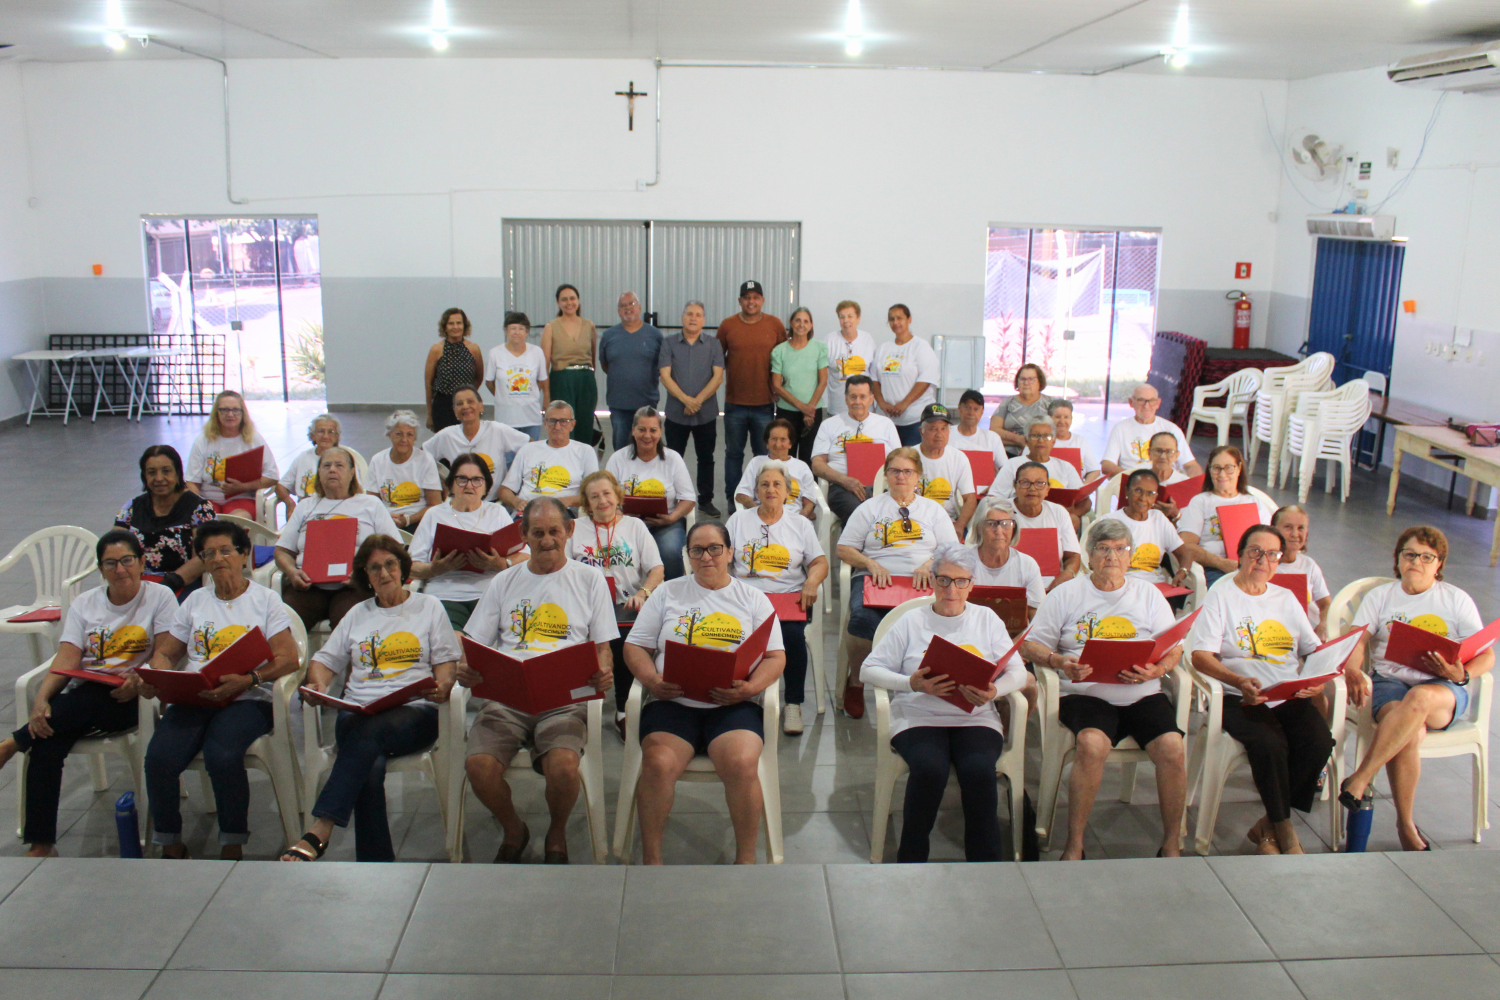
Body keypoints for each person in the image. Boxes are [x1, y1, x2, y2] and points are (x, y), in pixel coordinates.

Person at [283, 535, 459, 863]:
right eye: (374, 567)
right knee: (369, 762)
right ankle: (377, 863)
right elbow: (324, 661)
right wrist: (318, 683)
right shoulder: (357, 613)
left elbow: (446, 663)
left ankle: (321, 828)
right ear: (366, 576)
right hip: (358, 712)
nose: (384, 573)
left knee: (366, 738)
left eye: (390, 564)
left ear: (403, 567)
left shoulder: (428, 607)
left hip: (413, 712)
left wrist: (444, 684)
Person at [458, 498, 616, 864]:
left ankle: (556, 831)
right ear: (523, 534)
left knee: (563, 765)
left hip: (565, 697)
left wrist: (603, 671)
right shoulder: (504, 581)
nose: (547, 541)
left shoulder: (589, 579)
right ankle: (514, 828)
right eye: (538, 533)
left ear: (569, 531)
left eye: (554, 531)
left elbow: (603, 648)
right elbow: (474, 644)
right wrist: (468, 667)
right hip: (507, 697)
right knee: (478, 767)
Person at [0, 531, 177, 856]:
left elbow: (165, 653)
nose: (120, 569)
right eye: (110, 563)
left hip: (135, 697)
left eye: (127, 561)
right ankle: (41, 843)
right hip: (85, 696)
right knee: (47, 741)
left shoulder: (160, 597)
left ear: (141, 563)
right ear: (101, 569)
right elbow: (66, 659)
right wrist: (41, 699)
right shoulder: (85, 603)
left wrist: (138, 678)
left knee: (78, 705)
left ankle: (14, 742)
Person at [1021, 518, 1188, 859]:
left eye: (1120, 549)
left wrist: (1158, 669)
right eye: (1103, 549)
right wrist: (1059, 661)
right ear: (1089, 555)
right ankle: (1075, 843)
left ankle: (1172, 843)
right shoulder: (1067, 594)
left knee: (1173, 747)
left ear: (1131, 556)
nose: (1112, 556)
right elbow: (1030, 644)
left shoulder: (1148, 594)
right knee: (1091, 743)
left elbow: (1174, 646)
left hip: (1142, 692)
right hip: (1085, 693)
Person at [623, 521, 787, 864]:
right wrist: (652, 680)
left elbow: (775, 657)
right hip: (673, 701)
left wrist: (751, 688)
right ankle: (652, 860)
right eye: (696, 550)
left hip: (732, 704)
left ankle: (745, 859)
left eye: (714, 548)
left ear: (729, 553)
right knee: (658, 763)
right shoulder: (668, 593)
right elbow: (635, 646)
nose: (706, 557)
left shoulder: (753, 599)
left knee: (742, 762)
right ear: (687, 555)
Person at [141, 519, 302, 859]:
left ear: (244, 555)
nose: (217, 559)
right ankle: (170, 841)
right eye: (208, 554)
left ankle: (232, 842)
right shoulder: (195, 602)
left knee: (222, 755)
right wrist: (159, 674)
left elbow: (289, 658)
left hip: (248, 697)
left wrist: (251, 679)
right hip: (198, 695)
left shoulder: (266, 601)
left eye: (226, 551)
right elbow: (167, 652)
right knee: (159, 758)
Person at [861, 542, 1027, 862]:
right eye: (944, 580)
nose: (952, 590)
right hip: (919, 716)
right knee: (929, 768)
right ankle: (912, 857)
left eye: (961, 581)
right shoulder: (911, 621)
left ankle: (986, 860)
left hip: (975, 717)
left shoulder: (986, 619)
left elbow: (1018, 672)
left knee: (979, 769)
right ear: (932, 580)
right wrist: (910, 683)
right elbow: (869, 669)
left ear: (971, 584)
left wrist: (995, 691)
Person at [1338, 526, 1494, 853]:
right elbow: (1357, 641)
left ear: (1439, 564)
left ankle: (1360, 777)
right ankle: (1405, 826)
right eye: (1409, 554)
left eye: (1427, 557)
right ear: (1398, 559)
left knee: (1420, 697)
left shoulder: (1455, 599)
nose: (1416, 562)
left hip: (1441, 688)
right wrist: (1352, 669)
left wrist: (1462, 673)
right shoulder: (1381, 597)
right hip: (1390, 683)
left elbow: (1487, 655)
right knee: (1409, 732)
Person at [1188, 524, 1333, 855]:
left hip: (1286, 694)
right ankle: (1285, 831)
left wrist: (1318, 679)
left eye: (1272, 554)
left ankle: (1266, 827)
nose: (1263, 560)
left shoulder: (1285, 598)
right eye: (1255, 552)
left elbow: (1314, 650)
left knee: (1318, 741)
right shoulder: (1222, 594)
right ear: (1240, 555)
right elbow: (1200, 656)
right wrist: (1238, 681)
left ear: (1279, 560)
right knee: (1269, 744)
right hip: (1240, 697)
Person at [836, 448, 959, 719]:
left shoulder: (933, 510)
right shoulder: (870, 508)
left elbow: (952, 550)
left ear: (918, 476)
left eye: (907, 471)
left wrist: (930, 563)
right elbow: (843, 548)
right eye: (895, 471)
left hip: (921, 583)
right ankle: (856, 681)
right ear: (886, 474)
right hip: (876, 579)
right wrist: (869, 563)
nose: (901, 476)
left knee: (939, 622)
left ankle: (921, 682)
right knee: (862, 621)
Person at [728, 461, 829, 734]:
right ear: (756, 491)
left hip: (787, 597)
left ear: (787, 492)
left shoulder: (800, 524)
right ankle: (742, 695)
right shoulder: (738, 520)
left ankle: (792, 704)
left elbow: (819, 562)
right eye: (764, 484)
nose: (770, 489)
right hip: (746, 598)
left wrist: (811, 583)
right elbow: (724, 558)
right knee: (731, 631)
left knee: (792, 637)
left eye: (777, 485)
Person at [568, 472, 663, 732]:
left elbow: (657, 569)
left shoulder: (635, 526)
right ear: (586, 503)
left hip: (625, 605)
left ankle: (623, 708)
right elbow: (561, 570)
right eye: (594, 496)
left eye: (606, 494)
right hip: (585, 606)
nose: (602, 501)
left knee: (626, 645)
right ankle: (575, 708)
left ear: (617, 496)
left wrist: (642, 593)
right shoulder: (574, 528)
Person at [274, 447, 401, 632]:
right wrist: (292, 572)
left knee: (350, 627)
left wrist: (364, 573)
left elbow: (394, 548)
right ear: (319, 473)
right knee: (282, 625)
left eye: (339, 465)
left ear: (352, 472)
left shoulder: (370, 504)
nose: (332, 470)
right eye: (326, 466)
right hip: (308, 586)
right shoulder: (306, 506)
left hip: (354, 585)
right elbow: (282, 551)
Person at [409, 455, 526, 636]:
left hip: (489, 595)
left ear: (486, 486)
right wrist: (435, 568)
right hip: (446, 594)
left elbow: (525, 556)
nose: (469, 486)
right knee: (457, 641)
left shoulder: (497, 513)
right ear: (451, 484)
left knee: (501, 638)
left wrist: (501, 564)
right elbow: (411, 567)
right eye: (462, 479)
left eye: (477, 480)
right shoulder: (434, 514)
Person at [718, 280, 788, 514]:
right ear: (740, 301)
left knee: (763, 456)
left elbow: (785, 358)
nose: (751, 301)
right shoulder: (727, 325)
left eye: (756, 297)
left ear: (762, 300)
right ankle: (733, 498)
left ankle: (762, 498)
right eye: (747, 297)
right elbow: (717, 359)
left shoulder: (775, 324)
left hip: (764, 404)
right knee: (733, 454)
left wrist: (780, 387)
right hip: (734, 403)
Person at [605, 407, 696, 579]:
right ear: (633, 430)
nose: (647, 436)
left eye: (653, 430)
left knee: (669, 551)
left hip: (666, 523)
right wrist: (619, 515)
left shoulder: (673, 459)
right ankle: (628, 590)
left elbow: (689, 499)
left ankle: (672, 590)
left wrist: (672, 518)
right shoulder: (618, 459)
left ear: (660, 432)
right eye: (641, 429)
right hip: (626, 522)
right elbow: (606, 495)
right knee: (619, 550)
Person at [115, 445, 216, 595]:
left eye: (166, 471)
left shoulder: (200, 508)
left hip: (181, 583)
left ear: (178, 473)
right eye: (151, 472)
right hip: (137, 584)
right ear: (144, 476)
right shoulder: (132, 507)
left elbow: (204, 556)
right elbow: (114, 547)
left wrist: (168, 584)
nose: (159, 478)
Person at [659, 301, 725, 517]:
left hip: (706, 413)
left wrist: (697, 401)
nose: (693, 318)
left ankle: (705, 500)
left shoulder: (714, 344)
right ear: (682, 318)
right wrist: (687, 401)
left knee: (706, 458)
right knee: (673, 457)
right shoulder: (669, 343)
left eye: (698, 315)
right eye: (689, 314)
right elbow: (665, 376)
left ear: (704, 320)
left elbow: (718, 377)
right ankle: (673, 499)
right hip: (676, 413)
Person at [1177, 445, 1275, 588]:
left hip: (1253, 567)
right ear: (1209, 470)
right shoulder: (1201, 502)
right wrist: (1222, 563)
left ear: (1239, 468)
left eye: (1229, 468)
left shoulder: (1254, 502)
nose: (1222, 474)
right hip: (1214, 568)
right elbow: (1187, 545)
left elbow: (1270, 542)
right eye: (1216, 468)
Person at [810, 374, 902, 525]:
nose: (857, 402)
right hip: (842, 487)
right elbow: (817, 464)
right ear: (846, 399)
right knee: (858, 512)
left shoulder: (885, 424)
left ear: (871, 399)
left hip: (881, 487)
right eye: (853, 397)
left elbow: (899, 460)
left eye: (862, 397)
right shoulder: (829, 425)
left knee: (889, 510)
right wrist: (844, 480)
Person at [423, 386, 531, 503]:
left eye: (470, 401)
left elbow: (530, 446)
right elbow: (421, 456)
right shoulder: (447, 435)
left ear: (480, 406)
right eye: (459, 404)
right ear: (455, 411)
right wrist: (440, 482)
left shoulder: (497, 430)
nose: (465, 406)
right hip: (460, 502)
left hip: (495, 503)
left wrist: (514, 477)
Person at [185, 390, 279, 516]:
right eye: (224, 410)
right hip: (208, 499)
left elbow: (272, 477)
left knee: (237, 520)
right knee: (206, 520)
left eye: (235, 410)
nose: (230, 414)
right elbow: (191, 481)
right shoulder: (203, 440)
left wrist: (243, 487)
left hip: (242, 498)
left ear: (243, 413)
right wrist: (199, 506)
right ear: (216, 413)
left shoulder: (253, 439)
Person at [498, 401, 600, 512]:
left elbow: (594, 492)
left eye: (563, 422)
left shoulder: (585, 451)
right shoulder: (527, 449)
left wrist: (568, 501)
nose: (557, 427)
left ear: (572, 425)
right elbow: (505, 490)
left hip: (563, 512)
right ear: (545, 423)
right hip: (528, 511)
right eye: (552, 421)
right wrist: (516, 502)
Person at [599, 291, 664, 450]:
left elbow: (662, 366)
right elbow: (605, 365)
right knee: (621, 451)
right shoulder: (608, 336)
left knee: (647, 449)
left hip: (647, 404)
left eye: (631, 304)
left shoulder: (655, 335)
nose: (627, 308)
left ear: (639, 308)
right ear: (618, 311)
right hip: (619, 405)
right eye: (623, 305)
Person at [1103, 469, 1189, 588]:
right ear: (1127, 491)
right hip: (1121, 585)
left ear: (1155, 497)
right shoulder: (1110, 521)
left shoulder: (1159, 518)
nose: (1143, 498)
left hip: (1155, 587)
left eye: (1150, 493)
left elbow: (1184, 553)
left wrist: (1182, 572)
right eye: (1138, 490)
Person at [1006, 461, 1082, 591]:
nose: (1032, 488)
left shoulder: (1058, 512)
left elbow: (1073, 556)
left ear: (1048, 489)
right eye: (1025, 482)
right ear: (1015, 486)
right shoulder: (1001, 511)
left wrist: (1067, 574)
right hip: (1011, 585)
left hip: (1052, 587)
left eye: (1039, 483)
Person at [1100, 383, 1202, 479]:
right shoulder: (1120, 428)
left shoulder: (1171, 429)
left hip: (1165, 481)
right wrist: (1138, 479)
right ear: (1131, 402)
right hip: (1132, 482)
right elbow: (1107, 465)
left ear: (1158, 403)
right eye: (1141, 400)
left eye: (1152, 401)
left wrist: (1191, 483)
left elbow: (1191, 465)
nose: (1146, 406)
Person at [871, 304, 939, 447]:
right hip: (886, 420)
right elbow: (874, 380)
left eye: (899, 318)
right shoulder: (883, 348)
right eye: (891, 319)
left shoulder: (921, 346)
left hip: (914, 421)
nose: (895, 322)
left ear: (909, 320)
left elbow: (925, 380)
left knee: (911, 459)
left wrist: (904, 404)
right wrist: (882, 404)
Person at [540, 284, 598, 445]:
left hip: (586, 380)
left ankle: (584, 459)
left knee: (585, 426)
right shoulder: (551, 327)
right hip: (561, 380)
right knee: (563, 425)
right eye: (564, 299)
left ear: (578, 301)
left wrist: (589, 381)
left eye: (572, 298)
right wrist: (546, 396)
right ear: (558, 303)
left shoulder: (589, 325)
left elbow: (593, 358)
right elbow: (544, 365)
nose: (569, 303)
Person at [993, 417, 1085, 518]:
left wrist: (1069, 516)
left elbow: (1084, 501)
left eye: (1047, 436)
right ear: (1026, 441)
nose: (1041, 440)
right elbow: (994, 498)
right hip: (1019, 518)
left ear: (1053, 441)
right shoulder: (1012, 464)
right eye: (1035, 436)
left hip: (1057, 519)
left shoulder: (1066, 467)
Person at [770, 306, 829, 462]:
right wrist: (803, 407)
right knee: (784, 456)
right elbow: (776, 385)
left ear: (811, 325)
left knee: (809, 457)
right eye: (797, 320)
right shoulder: (779, 351)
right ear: (791, 323)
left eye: (806, 321)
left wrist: (810, 410)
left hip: (813, 412)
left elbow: (823, 381)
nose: (801, 325)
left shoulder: (820, 348)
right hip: (787, 412)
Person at [368, 410, 443, 531]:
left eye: (409, 435)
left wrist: (408, 520)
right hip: (385, 520)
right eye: (399, 434)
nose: (404, 439)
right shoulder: (377, 460)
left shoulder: (426, 460)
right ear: (389, 434)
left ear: (415, 438)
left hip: (418, 521)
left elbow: (435, 505)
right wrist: (387, 518)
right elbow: (371, 503)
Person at [734, 417, 821, 521]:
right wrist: (760, 512)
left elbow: (809, 503)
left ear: (790, 443)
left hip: (792, 519)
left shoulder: (802, 467)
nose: (778, 444)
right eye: (774, 439)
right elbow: (742, 495)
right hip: (761, 519)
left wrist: (799, 520)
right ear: (767, 443)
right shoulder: (756, 463)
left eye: (783, 439)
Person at [914, 404, 978, 538]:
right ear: (921, 431)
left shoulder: (958, 458)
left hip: (948, 521)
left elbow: (970, 499)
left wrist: (960, 526)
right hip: (915, 520)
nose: (939, 434)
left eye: (943, 428)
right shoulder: (908, 456)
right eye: (933, 429)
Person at [484, 311, 549, 440]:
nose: (517, 332)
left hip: (531, 418)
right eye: (513, 328)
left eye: (521, 328)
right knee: (507, 453)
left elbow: (542, 380)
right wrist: (502, 395)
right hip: (505, 418)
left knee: (531, 451)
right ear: (505, 331)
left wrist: (535, 396)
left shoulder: (537, 352)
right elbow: (489, 382)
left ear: (527, 332)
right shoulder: (495, 353)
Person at [1271, 504, 1333, 639]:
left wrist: (1324, 623)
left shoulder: (1309, 565)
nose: (1295, 534)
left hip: (1299, 636)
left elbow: (1326, 604)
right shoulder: (1262, 564)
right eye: (1288, 527)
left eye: (1301, 528)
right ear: (1274, 530)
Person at [424, 307, 484, 433]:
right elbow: (429, 384)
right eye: (451, 323)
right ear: (445, 327)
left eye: (459, 323)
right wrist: (429, 413)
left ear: (464, 325)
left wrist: (468, 395)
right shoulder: (436, 350)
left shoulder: (474, 349)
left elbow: (479, 377)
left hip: (466, 406)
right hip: (443, 405)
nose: (455, 327)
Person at [276, 413, 342, 512]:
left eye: (330, 432)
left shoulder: (345, 459)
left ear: (337, 436)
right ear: (312, 435)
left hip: (336, 510)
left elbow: (357, 491)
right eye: (321, 431)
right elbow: (281, 486)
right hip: (306, 511)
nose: (325, 436)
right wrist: (289, 503)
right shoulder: (303, 458)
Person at [989, 364, 1054, 458]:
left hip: (1041, 455)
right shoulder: (1007, 402)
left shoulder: (1050, 403)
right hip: (1007, 455)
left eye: (1031, 379)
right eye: (1022, 379)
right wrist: (1019, 440)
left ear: (1040, 381)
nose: (1026, 383)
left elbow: (1058, 432)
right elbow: (993, 431)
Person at [825, 300, 876, 418]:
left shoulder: (867, 339)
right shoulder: (829, 341)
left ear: (858, 318)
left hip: (865, 409)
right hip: (837, 409)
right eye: (842, 317)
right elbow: (821, 375)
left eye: (850, 316)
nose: (846, 321)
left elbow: (874, 374)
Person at [1144, 431, 1192, 521]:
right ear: (1149, 453)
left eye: (1169, 451)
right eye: (1158, 451)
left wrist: (1176, 514)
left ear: (1176, 455)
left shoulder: (1186, 484)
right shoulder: (1138, 479)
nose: (1163, 456)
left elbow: (1190, 523)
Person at [1048, 399, 1101, 481]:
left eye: (1066, 417)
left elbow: (1094, 471)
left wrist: (1084, 486)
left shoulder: (1080, 441)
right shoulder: (1040, 440)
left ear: (1071, 419)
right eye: (1058, 417)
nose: (1062, 421)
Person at [953, 389, 1005, 470]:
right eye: (967, 408)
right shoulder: (945, 434)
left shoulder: (992, 438)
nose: (971, 413)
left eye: (976, 409)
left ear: (982, 412)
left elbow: (1005, 469)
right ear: (959, 408)